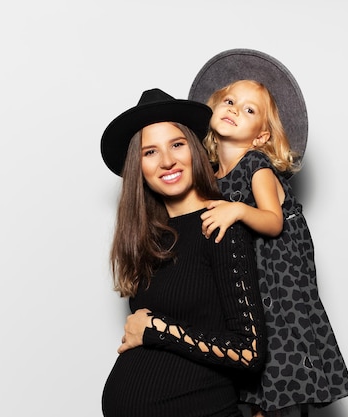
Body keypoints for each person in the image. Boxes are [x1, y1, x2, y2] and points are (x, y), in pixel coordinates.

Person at [188, 50, 348, 417]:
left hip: (281, 293)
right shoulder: (213, 177)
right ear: (213, 108)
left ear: (262, 135)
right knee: (258, 391)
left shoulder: (257, 166)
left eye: (249, 110)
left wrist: (238, 209)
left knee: (282, 377)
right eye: (229, 101)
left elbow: (272, 221)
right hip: (253, 292)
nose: (234, 109)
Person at [99, 88, 266, 417]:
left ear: (195, 149)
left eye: (177, 144)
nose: (167, 161)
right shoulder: (151, 239)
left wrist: (156, 329)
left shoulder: (220, 225)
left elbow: (250, 351)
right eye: (150, 152)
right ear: (139, 167)